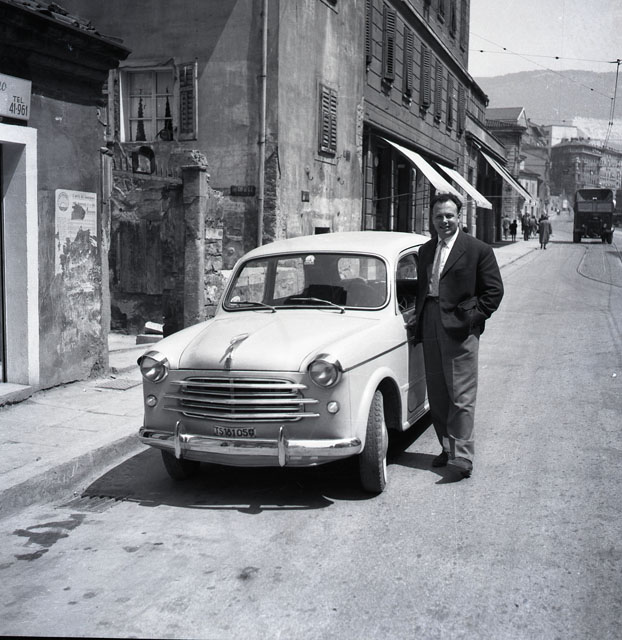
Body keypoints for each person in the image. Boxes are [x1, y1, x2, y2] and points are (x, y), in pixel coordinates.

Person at [410, 194, 504, 479]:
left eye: (449, 215)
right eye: (439, 216)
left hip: (461, 328)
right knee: (438, 393)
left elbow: (493, 292)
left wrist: (470, 319)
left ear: (459, 217)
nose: (444, 221)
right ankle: (447, 447)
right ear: (432, 219)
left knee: (461, 394)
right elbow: (422, 288)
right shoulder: (426, 250)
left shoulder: (478, 250)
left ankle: (462, 456)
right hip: (430, 323)